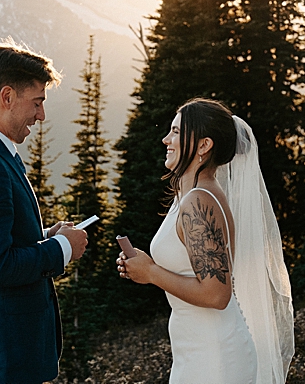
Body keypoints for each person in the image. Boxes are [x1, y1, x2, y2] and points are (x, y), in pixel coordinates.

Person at [117, 98, 295, 384]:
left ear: (203, 146)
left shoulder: (200, 202)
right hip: (197, 350)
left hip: (214, 357)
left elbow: (216, 294)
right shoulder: (190, 197)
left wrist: (150, 272)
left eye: (176, 132)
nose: (166, 139)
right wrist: (142, 264)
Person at [0, 42, 89, 384]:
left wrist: (43, 238)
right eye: (37, 102)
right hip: (1, 354)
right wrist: (62, 249)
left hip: (3, 349)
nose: (41, 115)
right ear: (7, 97)